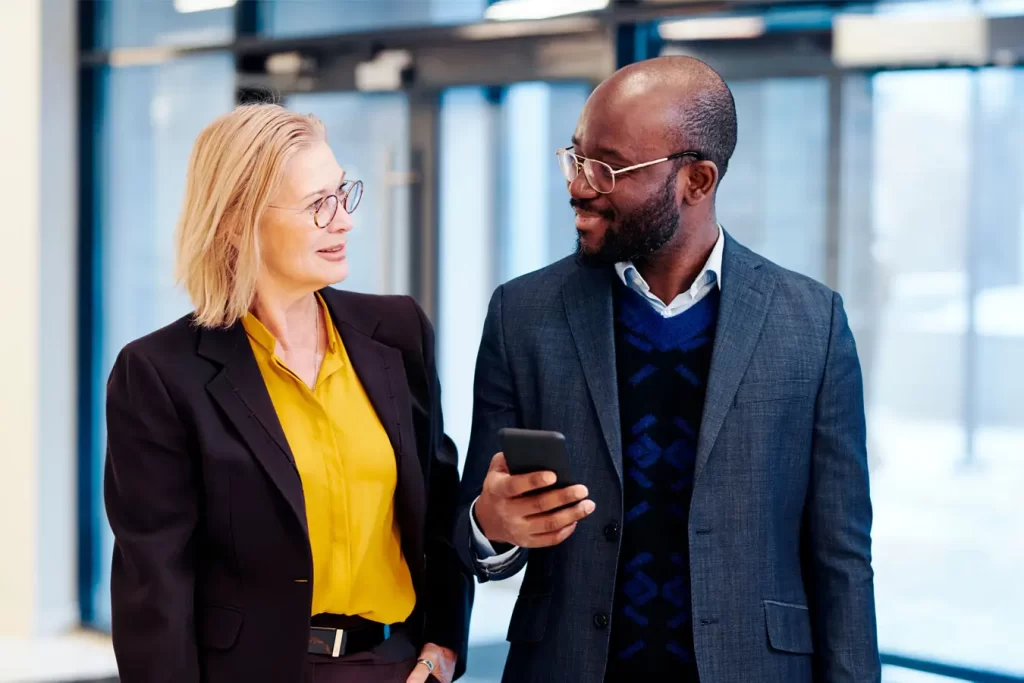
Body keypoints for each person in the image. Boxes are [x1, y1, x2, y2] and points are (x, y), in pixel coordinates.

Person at [454, 56, 880, 682]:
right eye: (574, 157)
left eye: (608, 166)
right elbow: (475, 525)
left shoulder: (811, 324)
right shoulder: (521, 314)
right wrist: (492, 526)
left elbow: (842, 559)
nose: (578, 184)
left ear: (698, 181)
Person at [104, 104, 471, 683]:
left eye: (343, 193)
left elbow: (438, 510)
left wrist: (443, 648)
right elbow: (156, 586)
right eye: (316, 204)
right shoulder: (158, 373)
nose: (344, 221)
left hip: (397, 666)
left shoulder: (399, 334)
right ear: (235, 221)